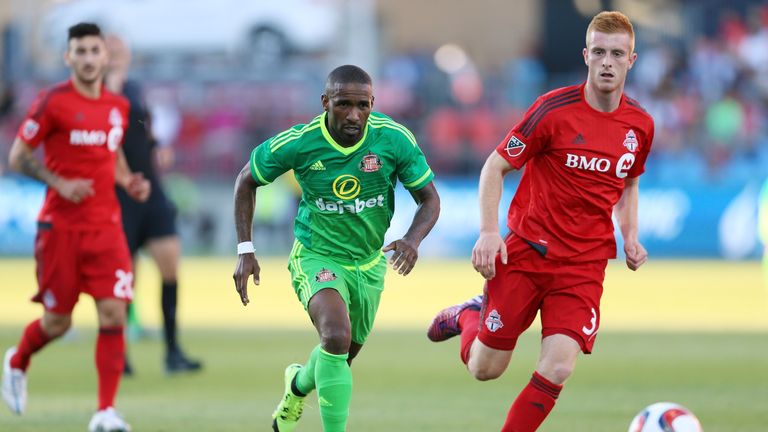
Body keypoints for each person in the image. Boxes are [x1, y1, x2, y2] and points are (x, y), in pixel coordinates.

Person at [427, 11, 654, 432]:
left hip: (584, 266)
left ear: (631, 60)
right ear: (586, 56)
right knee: (484, 367)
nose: (607, 62)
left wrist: (631, 235)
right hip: (529, 252)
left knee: (558, 368)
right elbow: (494, 167)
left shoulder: (640, 125)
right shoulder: (552, 110)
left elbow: (628, 183)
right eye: (600, 52)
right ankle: (467, 316)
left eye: (617, 54)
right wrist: (490, 232)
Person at [232, 64, 440, 432]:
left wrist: (412, 239)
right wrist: (245, 249)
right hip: (317, 254)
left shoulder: (393, 139)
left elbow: (429, 199)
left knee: (339, 356)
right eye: (344, 104)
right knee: (336, 336)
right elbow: (246, 180)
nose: (354, 115)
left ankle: (296, 386)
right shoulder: (299, 141)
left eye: (363, 106)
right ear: (326, 102)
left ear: (373, 103)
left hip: (369, 264)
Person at [1, 23, 150, 431]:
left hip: (106, 228)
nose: (87, 58)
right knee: (58, 321)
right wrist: (60, 183)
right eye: (79, 51)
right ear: (68, 57)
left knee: (113, 312)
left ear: (105, 57)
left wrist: (126, 180)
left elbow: (111, 149)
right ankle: (17, 360)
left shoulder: (117, 107)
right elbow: (18, 155)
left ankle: (105, 412)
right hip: (60, 228)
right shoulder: (52, 103)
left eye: (93, 51)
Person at [104, 35, 202, 375]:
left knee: (170, 265)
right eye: (110, 50)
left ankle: (172, 351)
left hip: (152, 188)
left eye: (120, 50)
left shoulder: (132, 86)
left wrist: (156, 142)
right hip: (120, 192)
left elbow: (140, 126)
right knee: (124, 277)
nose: (117, 55)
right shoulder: (100, 92)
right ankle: (120, 355)